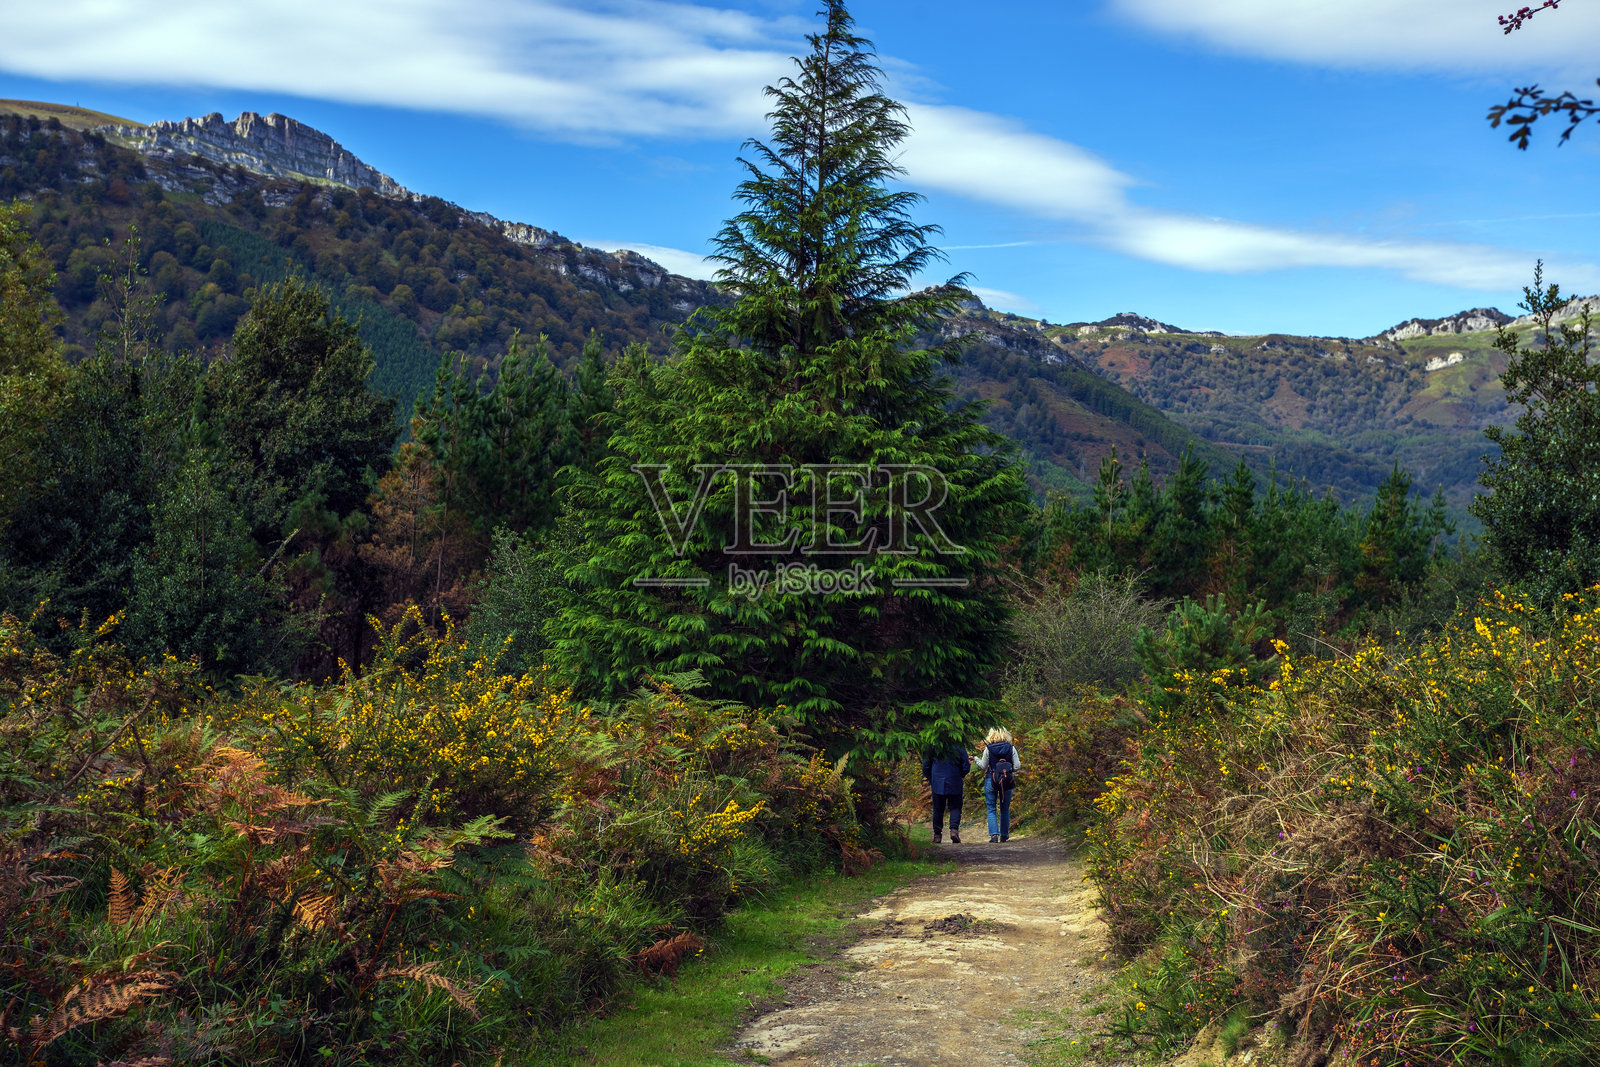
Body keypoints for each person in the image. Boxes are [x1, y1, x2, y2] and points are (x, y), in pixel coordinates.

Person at [975, 727, 1021, 843]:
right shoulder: (1011, 748)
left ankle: (994, 835)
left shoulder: (988, 749)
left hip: (991, 779)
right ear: (1006, 734)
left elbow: (983, 766)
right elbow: (1017, 766)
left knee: (991, 808)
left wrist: (975, 758)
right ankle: (1004, 835)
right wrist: (1009, 771)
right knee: (1004, 808)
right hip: (1007, 781)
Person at [921, 738, 971, 844]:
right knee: (955, 807)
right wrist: (960, 775)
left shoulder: (932, 744)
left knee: (938, 809)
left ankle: (937, 835)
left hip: (937, 781)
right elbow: (966, 764)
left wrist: (931, 778)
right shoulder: (958, 745)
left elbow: (925, 765)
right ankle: (954, 830)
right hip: (955, 779)